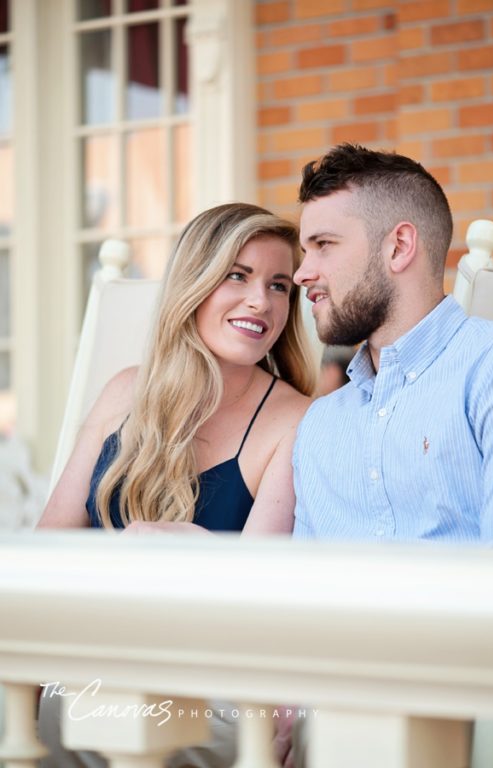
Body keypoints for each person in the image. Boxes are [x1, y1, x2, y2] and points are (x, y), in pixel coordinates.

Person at [35, 203, 317, 767]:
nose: (261, 302)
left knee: (81, 717)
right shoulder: (124, 393)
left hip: (212, 677)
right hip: (93, 655)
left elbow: (265, 594)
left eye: (279, 285)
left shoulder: (296, 420)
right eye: (237, 276)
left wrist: (189, 545)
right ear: (194, 283)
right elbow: (47, 548)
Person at [290, 143, 493, 543]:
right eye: (305, 251)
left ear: (399, 247)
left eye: (323, 245)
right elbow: (303, 592)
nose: (301, 273)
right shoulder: (319, 425)